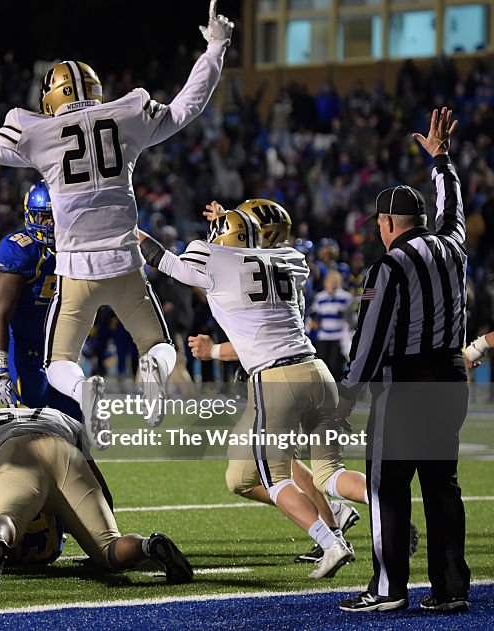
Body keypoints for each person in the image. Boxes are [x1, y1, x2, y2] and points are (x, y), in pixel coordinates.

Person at [0, 3, 234, 442]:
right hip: (126, 261)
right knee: (159, 346)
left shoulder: (37, 131)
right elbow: (188, 106)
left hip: (75, 269)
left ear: (50, 98)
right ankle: (152, 371)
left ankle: (86, 388)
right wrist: (216, 47)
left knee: (59, 362)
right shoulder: (127, 114)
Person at [138, 202, 355, 579]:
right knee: (251, 476)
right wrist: (233, 224)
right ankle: (359, 509)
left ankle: (330, 539)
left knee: (275, 478)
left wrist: (125, 231)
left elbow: (166, 261)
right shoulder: (292, 262)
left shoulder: (219, 261)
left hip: (273, 380)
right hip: (315, 371)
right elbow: (258, 326)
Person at [337, 108, 471, 614]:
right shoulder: (453, 247)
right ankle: (452, 588)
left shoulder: (391, 263)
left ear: (388, 223)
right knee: (442, 487)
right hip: (451, 380)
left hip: (407, 385)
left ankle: (390, 588)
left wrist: (348, 393)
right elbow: (453, 205)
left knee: (387, 487)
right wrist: (441, 160)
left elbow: (370, 336)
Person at [0, 407, 193, 588]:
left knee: (7, 519)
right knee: (109, 548)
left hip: (16, 454)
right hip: (66, 454)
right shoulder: (60, 416)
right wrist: (94, 528)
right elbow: (99, 486)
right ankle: (148, 546)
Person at [0, 180, 81, 419]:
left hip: (58, 348)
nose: (51, 224)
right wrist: (0, 369)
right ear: (31, 215)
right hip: (24, 347)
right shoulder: (22, 250)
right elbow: (1, 313)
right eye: (45, 217)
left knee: (76, 423)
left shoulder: (76, 244)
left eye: (56, 216)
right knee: (33, 421)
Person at [310, 270, 355, 380]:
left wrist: (345, 315)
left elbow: (352, 318)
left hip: (338, 336)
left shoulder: (346, 297)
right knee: (323, 365)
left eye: (332, 281)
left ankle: (337, 390)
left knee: (335, 365)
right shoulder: (320, 297)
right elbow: (314, 314)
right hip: (323, 335)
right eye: (328, 280)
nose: (329, 283)